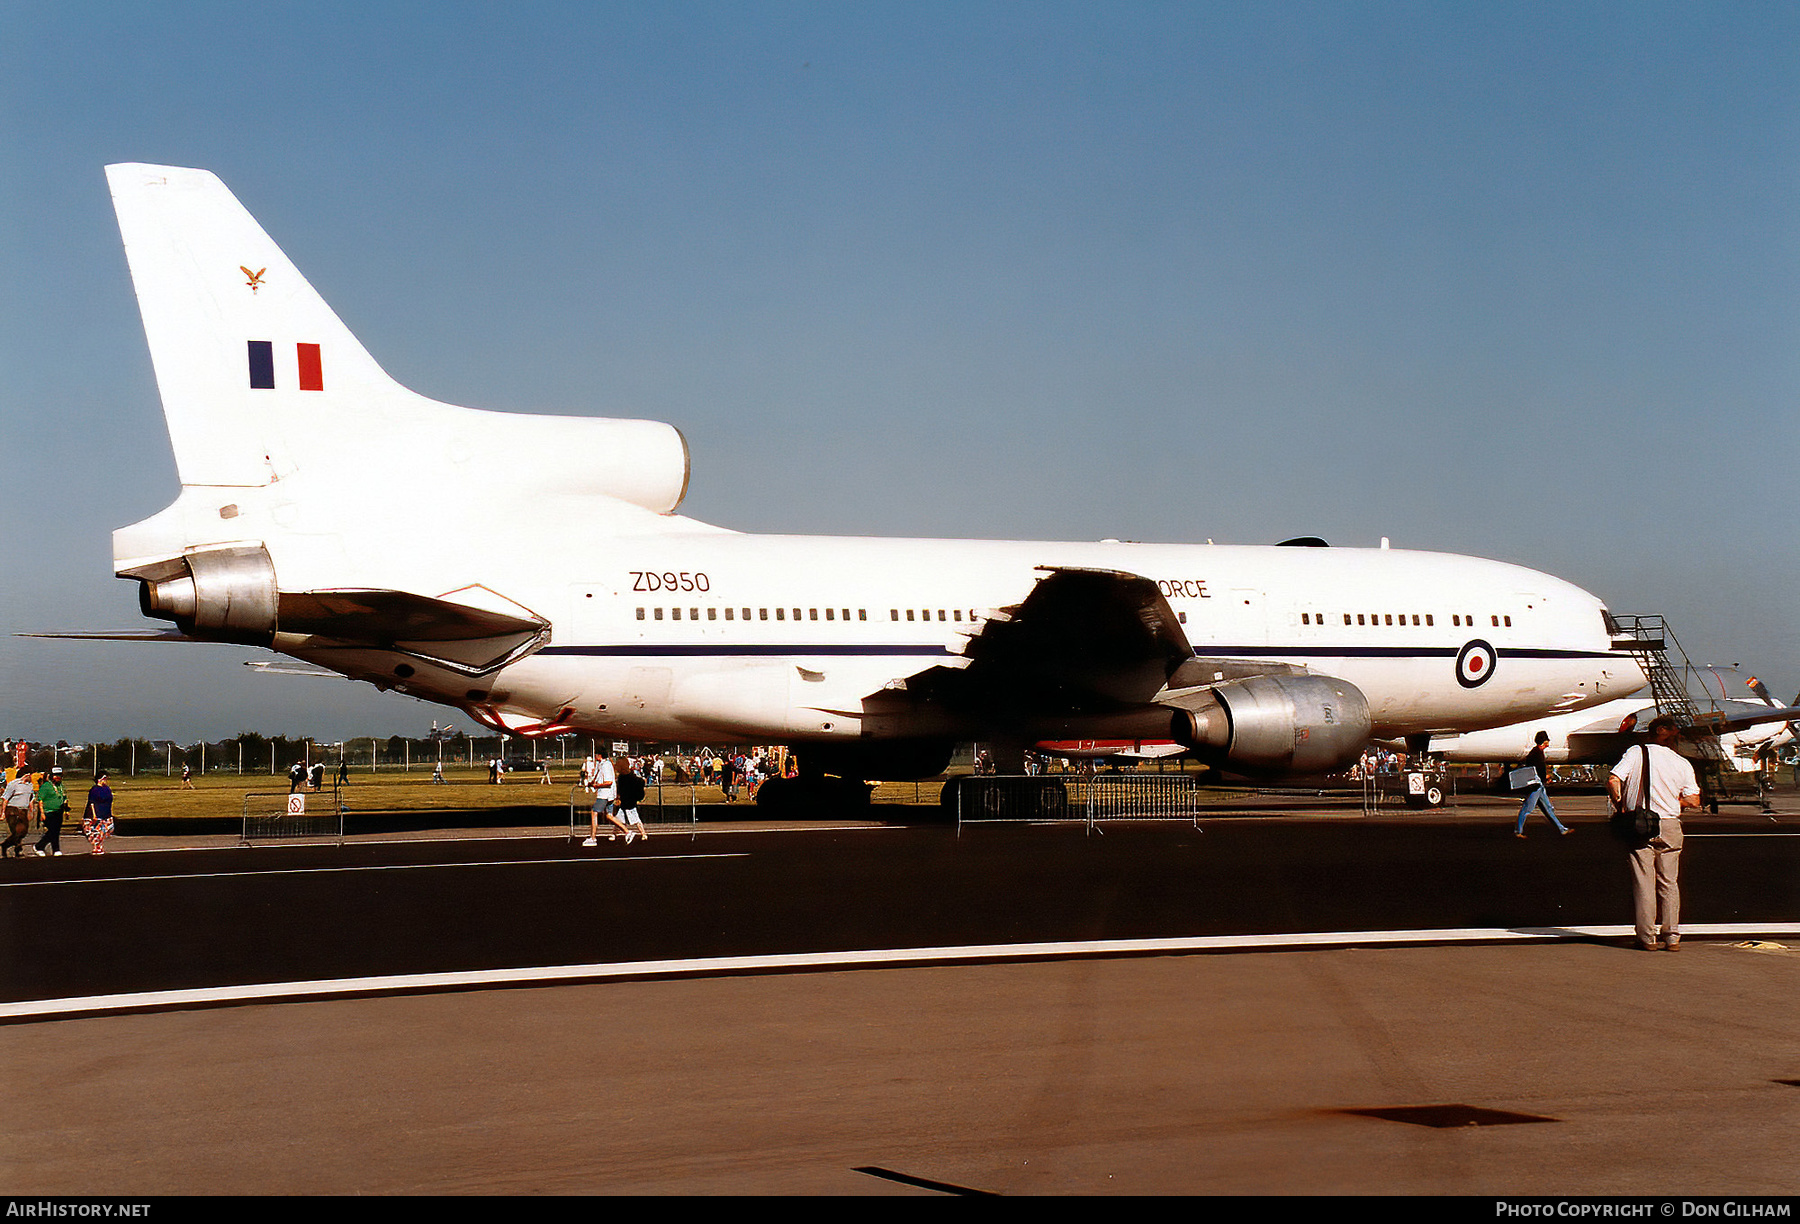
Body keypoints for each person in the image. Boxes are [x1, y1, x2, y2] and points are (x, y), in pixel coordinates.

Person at [1609, 715, 1702, 951]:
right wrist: (1675, 801)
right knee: (1669, 883)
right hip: (1670, 824)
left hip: (1640, 824)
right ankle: (1672, 936)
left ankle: (1647, 937)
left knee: (1644, 882)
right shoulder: (1682, 762)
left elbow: (1613, 780)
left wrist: (1619, 803)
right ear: (1671, 736)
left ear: (1652, 732)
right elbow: (1694, 800)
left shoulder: (1636, 752)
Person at [1513, 730, 1570, 837]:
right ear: (1543, 742)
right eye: (1547, 740)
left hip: (1539, 783)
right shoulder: (1537, 754)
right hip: (1536, 784)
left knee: (1548, 808)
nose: (1548, 742)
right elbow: (1537, 769)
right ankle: (1518, 831)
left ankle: (1562, 829)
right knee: (1527, 808)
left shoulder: (1536, 752)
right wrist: (1545, 777)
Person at [581, 753, 617, 847]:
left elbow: (609, 782)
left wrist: (597, 785)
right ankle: (627, 832)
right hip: (606, 793)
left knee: (594, 812)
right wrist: (591, 783)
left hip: (605, 794)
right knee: (609, 816)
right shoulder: (601, 764)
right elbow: (596, 775)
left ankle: (593, 838)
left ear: (599, 755)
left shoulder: (606, 765)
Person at [31, 767, 68, 857]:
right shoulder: (46, 786)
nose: (58, 777)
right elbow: (40, 800)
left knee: (56, 831)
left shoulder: (61, 786)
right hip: (48, 812)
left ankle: (55, 849)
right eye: (56, 775)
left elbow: (64, 798)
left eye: (59, 775)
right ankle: (39, 846)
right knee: (52, 831)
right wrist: (42, 813)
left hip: (58, 811)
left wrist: (67, 811)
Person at [81, 772, 115, 855]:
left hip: (106, 813)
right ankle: (97, 847)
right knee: (96, 831)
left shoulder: (107, 789)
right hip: (97, 812)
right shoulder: (94, 790)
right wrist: (94, 815)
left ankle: (99, 845)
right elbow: (91, 802)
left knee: (107, 829)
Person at [2, 769, 33, 858]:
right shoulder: (13, 784)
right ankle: (18, 849)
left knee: (23, 832)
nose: (30, 777)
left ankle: (5, 845)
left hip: (23, 810)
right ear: (25, 775)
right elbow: (5, 799)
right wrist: (3, 813)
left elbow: (30, 799)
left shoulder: (29, 786)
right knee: (16, 831)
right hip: (12, 810)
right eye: (29, 775)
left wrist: (31, 811)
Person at [615, 761, 648, 844]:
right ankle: (614, 834)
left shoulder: (630, 777)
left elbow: (640, 783)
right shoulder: (621, 777)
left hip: (630, 802)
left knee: (635, 819)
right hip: (625, 801)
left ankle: (643, 834)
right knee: (618, 819)